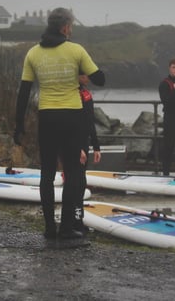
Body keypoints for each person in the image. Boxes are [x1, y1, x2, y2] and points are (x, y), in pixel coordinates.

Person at [13, 7, 105, 242]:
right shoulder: (76, 50)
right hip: (72, 117)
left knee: (47, 173)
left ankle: (49, 229)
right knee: (73, 173)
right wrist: (78, 71)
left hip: (48, 117)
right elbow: (100, 79)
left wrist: (18, 124)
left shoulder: (33, 53)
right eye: (71, 26)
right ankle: (66, 228)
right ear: (65, 27)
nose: (71, 30)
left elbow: (24, 92)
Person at [74, 74, 101, 234]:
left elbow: (90, 122)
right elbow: (71, 123)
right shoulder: (72, 94)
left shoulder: (86, 93)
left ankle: (79, 220)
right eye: (84, 75)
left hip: (84, 142)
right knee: (75, 182)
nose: (88, 78)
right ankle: (73, 221)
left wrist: (96, 146)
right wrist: (78, 148)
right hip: (74, 143)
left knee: (81, 182)